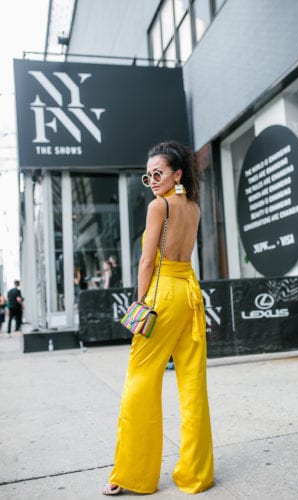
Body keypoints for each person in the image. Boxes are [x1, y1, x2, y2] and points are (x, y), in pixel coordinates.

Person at [103, 141, 214, 495]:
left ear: (176, 174)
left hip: (162, 295)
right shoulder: (193, 207)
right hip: (190, 293)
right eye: (147, 175)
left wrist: (141, 302)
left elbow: (147, 261)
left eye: (157, 173)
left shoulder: (159, 206)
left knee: (140, 381)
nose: (151, 180)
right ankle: (196, 475)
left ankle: (133, 475)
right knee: (193, 384)